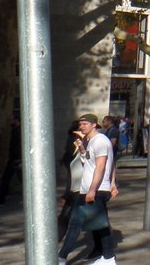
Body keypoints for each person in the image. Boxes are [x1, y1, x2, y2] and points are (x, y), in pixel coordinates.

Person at [58, 112, 117, 265]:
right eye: (80, 124)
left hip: (94, 191)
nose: (81, 127)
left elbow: (101, 165)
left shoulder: (99, 141)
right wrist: (82, 150)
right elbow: (93, 162)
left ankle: (61, 257)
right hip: (92, 190)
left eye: (84, 124)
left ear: (93, 125)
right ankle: (109, 258)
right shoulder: (92, 141)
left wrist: (92, 190)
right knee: (101, 225)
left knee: (75, 224)